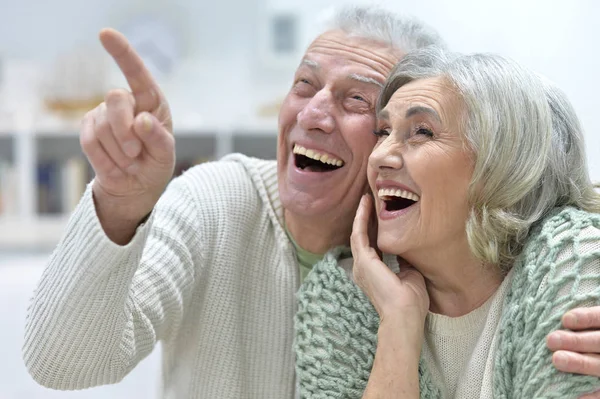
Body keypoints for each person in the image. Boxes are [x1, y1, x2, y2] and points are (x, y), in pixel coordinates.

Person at [22, 6, 600, 399]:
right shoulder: (221, 204)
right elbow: (60, 362)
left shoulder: (435, 257)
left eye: (356, 101)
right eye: (303, 86)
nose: (314, 113)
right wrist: (121, 202)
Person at [294, 48, 600, 398]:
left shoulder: (570, 257)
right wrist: (397, 325)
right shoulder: (343, 295)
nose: (378, 157)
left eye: (421, 132)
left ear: (499, 164)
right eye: (383, 132)